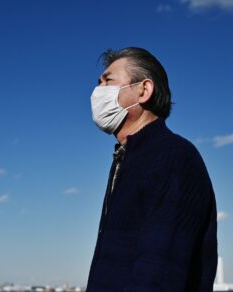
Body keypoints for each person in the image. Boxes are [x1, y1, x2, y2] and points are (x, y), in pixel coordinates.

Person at [86, 47, 217, 291]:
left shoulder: (174, 157)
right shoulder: (128, 158)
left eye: (108, 81)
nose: (98, 91)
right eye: (98, 82)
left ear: (144, 90)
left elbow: (161, 270)